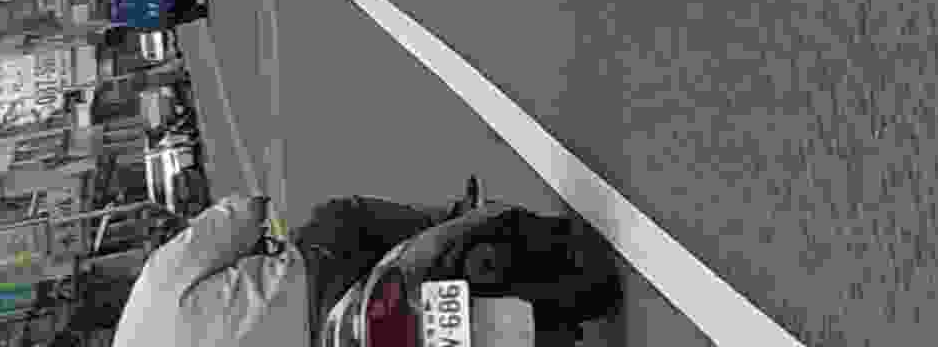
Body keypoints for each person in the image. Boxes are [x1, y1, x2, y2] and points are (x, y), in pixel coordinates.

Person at [111, 181, 619, 347]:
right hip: (323, 277)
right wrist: (252, 212)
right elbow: (242, 215)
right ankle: (456, 218)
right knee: (344, 215)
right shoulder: (152, 292)